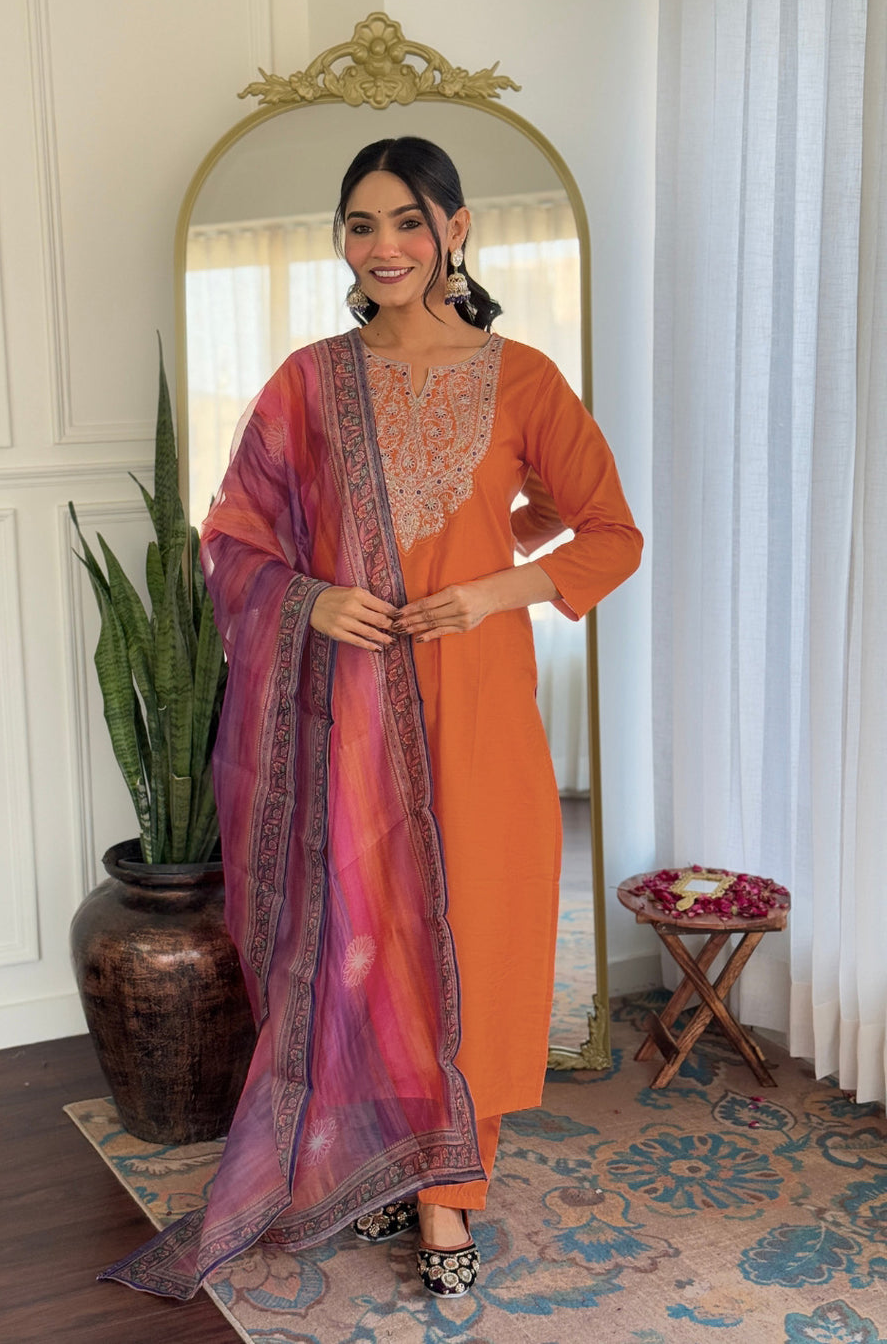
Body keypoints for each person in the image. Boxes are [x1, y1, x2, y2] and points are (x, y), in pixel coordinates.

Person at [100, 136, 642, 1302]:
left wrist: (498, 582)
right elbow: (232, 537)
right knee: (370, 940)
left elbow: (607, 531)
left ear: (457, 229)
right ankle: (389, 1159)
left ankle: (449, 1194)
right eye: (359, 224)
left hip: (481, 703)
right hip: (348, 707)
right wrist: (314, 599)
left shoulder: (525, 379)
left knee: (481, 943)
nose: (383, 246)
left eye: (406, 220)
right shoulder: (306, 379)